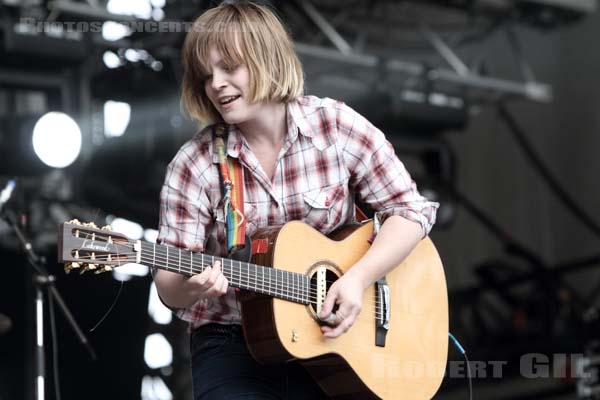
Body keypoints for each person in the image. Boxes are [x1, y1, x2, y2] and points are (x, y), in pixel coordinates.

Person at [153, 1, 439, 399]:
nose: (216, 84)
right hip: (231, 341)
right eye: (206, 75)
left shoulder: (336, 126)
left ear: (267, 59)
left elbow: (410, 211)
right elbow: (168, 287)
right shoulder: (193, 164)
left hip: (334, 339)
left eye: (229, 67)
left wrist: (357, 280)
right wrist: (195, 287)